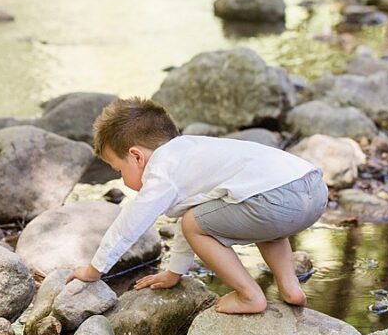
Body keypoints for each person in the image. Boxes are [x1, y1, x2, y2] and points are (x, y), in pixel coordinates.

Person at [65, 97, 329, 315]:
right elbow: (194, 213)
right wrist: (174, 271)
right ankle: (290, 288)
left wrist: (94, 269)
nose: (121, 178)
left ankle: (250, 296)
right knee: (259, 225)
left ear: (136, 156)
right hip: (312, 188)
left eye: (118, 169)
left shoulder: (161, 170)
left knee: (197, 225)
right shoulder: (191, 151)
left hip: (276, 200)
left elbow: (130, 225)